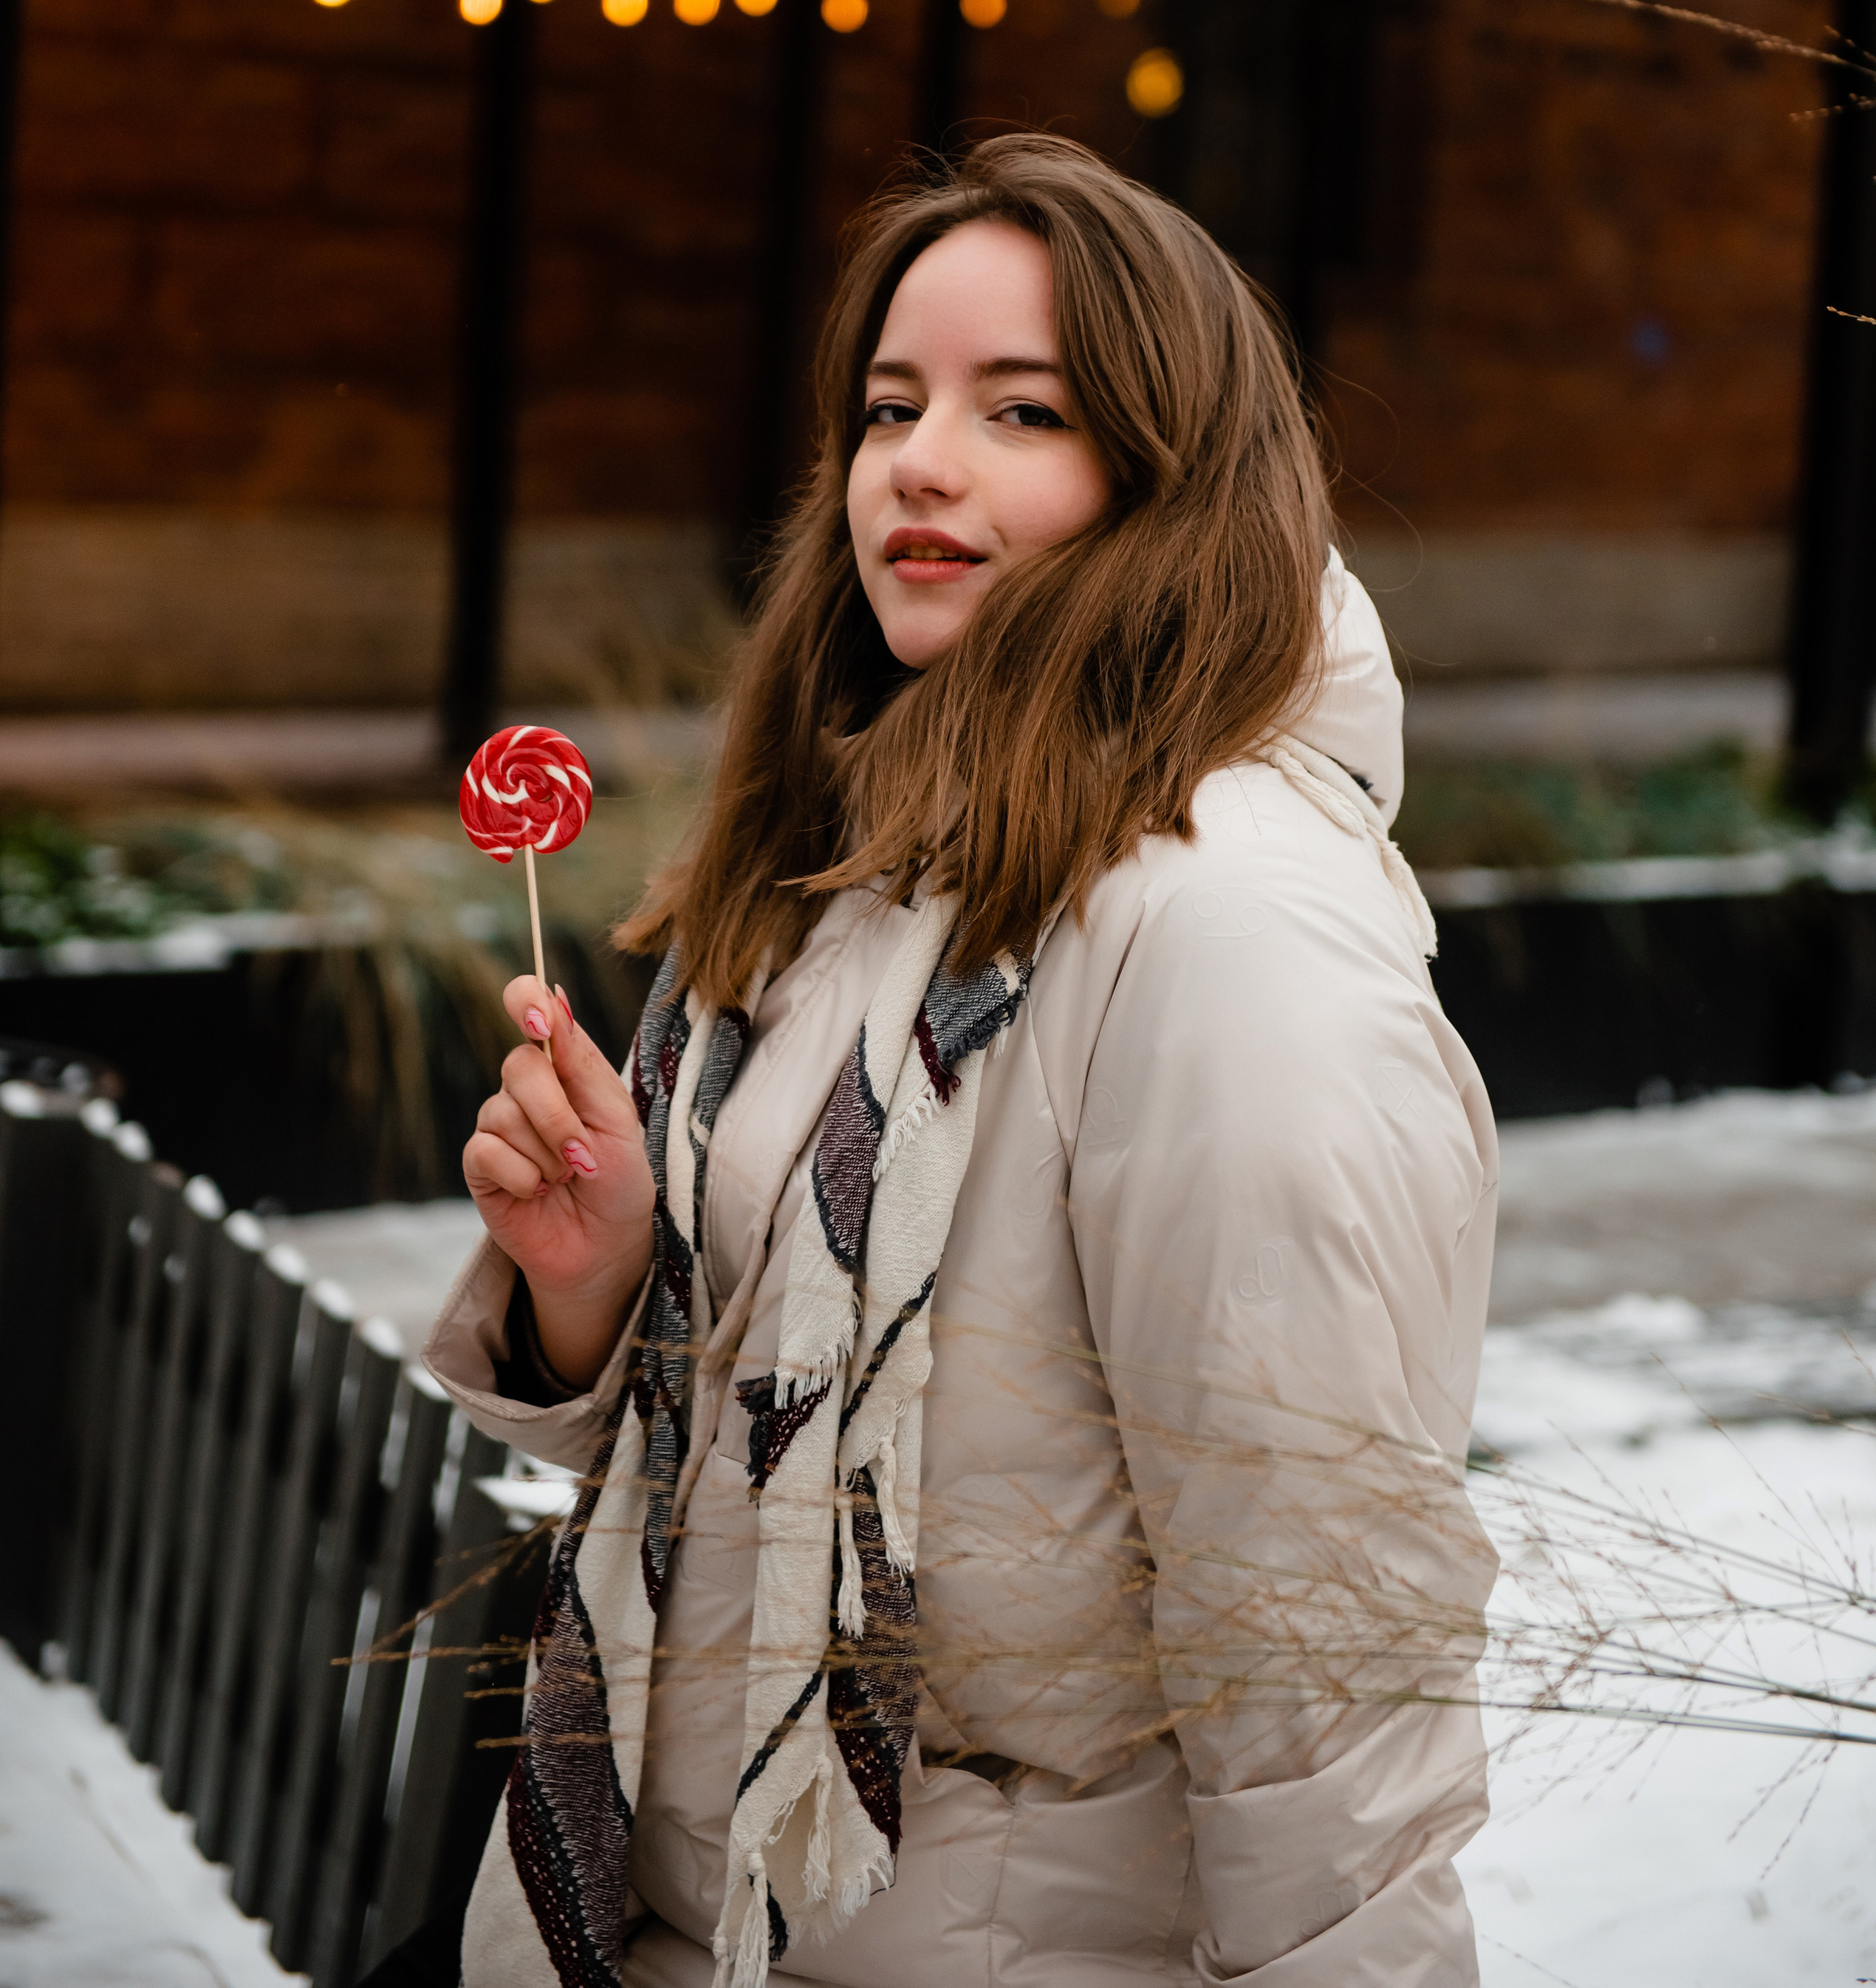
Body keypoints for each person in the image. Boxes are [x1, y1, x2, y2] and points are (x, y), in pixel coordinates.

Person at [415, 133, 1499, 1988]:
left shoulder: (1224, 929)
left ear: (1170, 476)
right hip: (689, 1916)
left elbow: (1317, 1624)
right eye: (889, 403)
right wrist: (598, 1288)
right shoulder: (870, 856)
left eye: (1023, 411)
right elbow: (777, 1436)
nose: (918, 461)